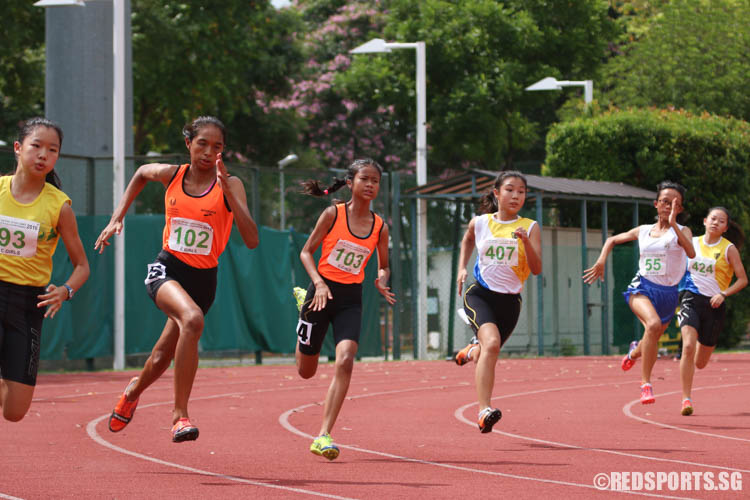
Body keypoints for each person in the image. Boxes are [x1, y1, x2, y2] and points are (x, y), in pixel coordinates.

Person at [94, 116, 259, 442]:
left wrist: (229, 194)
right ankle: (179, 416)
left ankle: (132, 391)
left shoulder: (231, 184)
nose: (208, 152)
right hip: (167, 270)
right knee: (193, 319)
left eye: (217, 147)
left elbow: (252, 239)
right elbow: (141, 173)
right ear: (188, 144)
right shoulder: (173, 174)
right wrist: (117, 218)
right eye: (202, 144)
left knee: (159, 358)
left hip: (204, 280)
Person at [295, 158, 396, 460]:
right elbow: (306, 252)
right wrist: (318, 283)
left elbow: (384, 266)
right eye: (364, 179)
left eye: (375, 181)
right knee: (305, 372)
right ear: (350, 183)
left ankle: (323, 434)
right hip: (320, 293)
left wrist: (381, 280)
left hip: (351, 298)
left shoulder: (380, 227)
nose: (370, 185)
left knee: (346, 359)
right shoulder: (332, 214)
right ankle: (302, 306)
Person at [0, 117, 90, 421]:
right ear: (18, 147)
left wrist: (65, 291)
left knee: (15, 412)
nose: (43, 155)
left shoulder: (59, 206)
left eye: (52, 150)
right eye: (36, 146)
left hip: (29, 304)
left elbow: (82, 266)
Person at [583, 181, 695, 405]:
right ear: (656, 204)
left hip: (668, 294)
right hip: (642, 288)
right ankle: (646, 384)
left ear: (679, 209)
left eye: (674, 204)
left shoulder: (683, 232)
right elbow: (612, 239)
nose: (668, 207)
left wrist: (673, 224)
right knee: (652, 326)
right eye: (664, 202)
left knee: (650, 338)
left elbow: (691, 252)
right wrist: (601, 260)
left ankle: (634, 352)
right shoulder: (644, 231)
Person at [453, 171, 542, 433]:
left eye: (521, 191)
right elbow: (467, 239)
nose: (515, 195)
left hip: (510, 302)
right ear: (497, 193)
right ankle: (484, 411)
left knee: (486, 351)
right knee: (491, 344)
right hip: (479, 294)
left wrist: (525, 242)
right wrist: (461, 267)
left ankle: (470, 352)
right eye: (510, 190)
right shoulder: (480, 223)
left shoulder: (531, 226)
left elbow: (536, 269)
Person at [677, 207, 747, 415]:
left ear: (725, 227)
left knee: (700, 362)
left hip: (714, 305)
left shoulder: (728, 249)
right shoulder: (693, 244)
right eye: (713, 218)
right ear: (705, 221)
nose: (716, 222)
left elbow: (743, 279)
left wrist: (724, 294)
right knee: (688, 347)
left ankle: (701, 343)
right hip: (690, 298)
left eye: (721, 221)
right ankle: (686, 399)